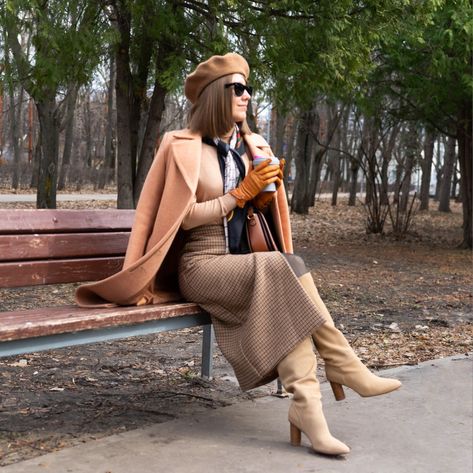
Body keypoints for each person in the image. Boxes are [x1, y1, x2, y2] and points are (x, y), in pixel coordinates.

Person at [76, 53, 401, 456]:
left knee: (289, 268)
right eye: (238, 88)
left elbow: (264, 216)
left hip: (244, 259)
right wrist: (239, 194)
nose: (247, 96)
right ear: (215, 95)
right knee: (280, 270)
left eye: (249, 89)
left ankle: (309, 407)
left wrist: (266, 193)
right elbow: (181, 219)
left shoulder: (251, 146)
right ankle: (343, 367)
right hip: (201, 264)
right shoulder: (180, 146)